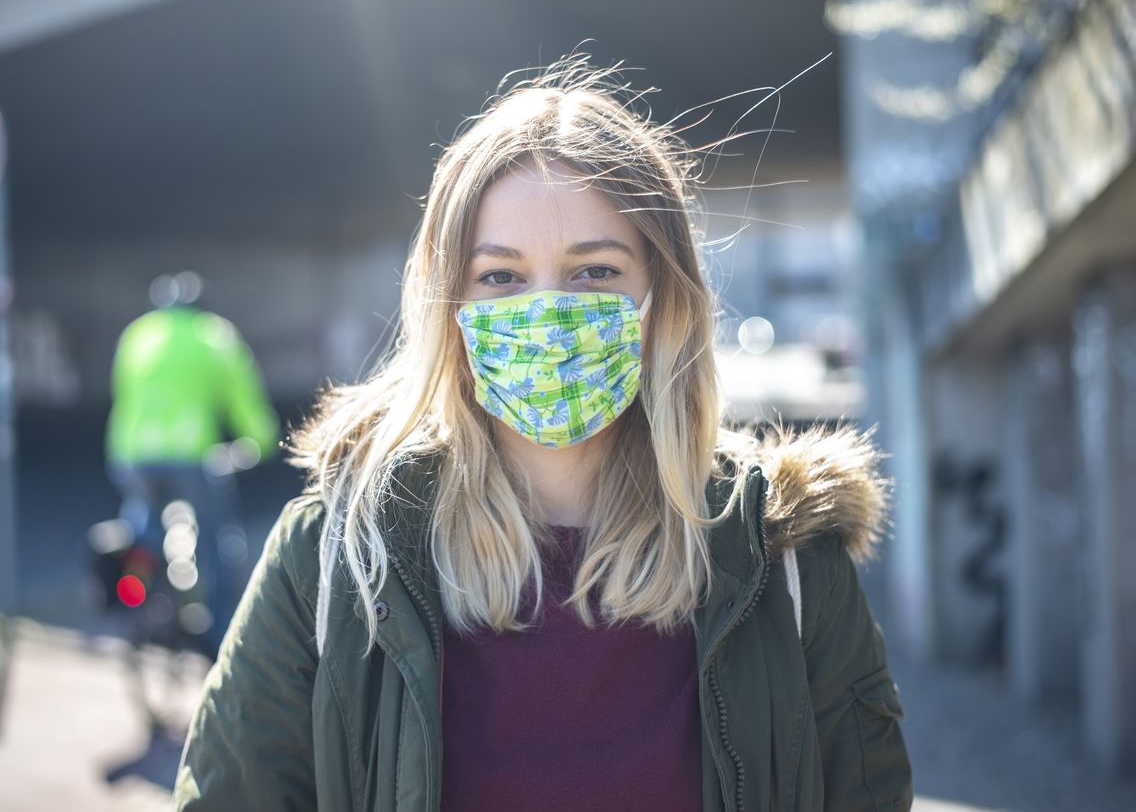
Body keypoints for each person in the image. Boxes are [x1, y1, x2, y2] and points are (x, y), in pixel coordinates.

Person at [173, 58, 912, 810]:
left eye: (594, 271)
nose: (548, 314)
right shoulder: (336, 561)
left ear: (663, 300)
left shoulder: (784, 563)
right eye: (501, 277)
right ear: (449, 306)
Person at [105, 271, 279, 658]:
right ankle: (218, 636)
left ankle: (133, 599)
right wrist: (261, 441)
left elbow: (121, 392)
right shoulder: (214, 335)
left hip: (131, 455)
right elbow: (245, 401)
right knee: (219, 540)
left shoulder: (138, 334)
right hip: (190, 454)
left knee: (143, 528)